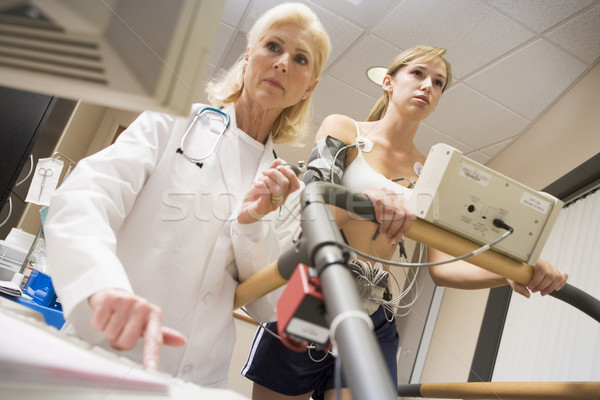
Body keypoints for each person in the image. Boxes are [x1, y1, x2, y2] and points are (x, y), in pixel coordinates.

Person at [241, 45, 569, 400]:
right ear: (388, 82)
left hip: (375, 309)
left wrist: (507, 273)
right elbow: (315, 209)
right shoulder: (345, 129)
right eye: (417, 73)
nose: (428, 85)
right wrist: (365, 203)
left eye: (438, 82)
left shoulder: (432, 172)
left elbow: (442, 268)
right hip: (317, 289)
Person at [43, 2, 331, 388]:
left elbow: (268, 306)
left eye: (300, 59)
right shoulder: (173, 124)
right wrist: (100, 283)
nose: (282, 63)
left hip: (197, 380)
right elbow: (83, 198)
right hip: (106, 355)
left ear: (308, 88)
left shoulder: (285, 187)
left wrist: (252, 224)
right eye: (273, 47)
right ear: (248, 56)